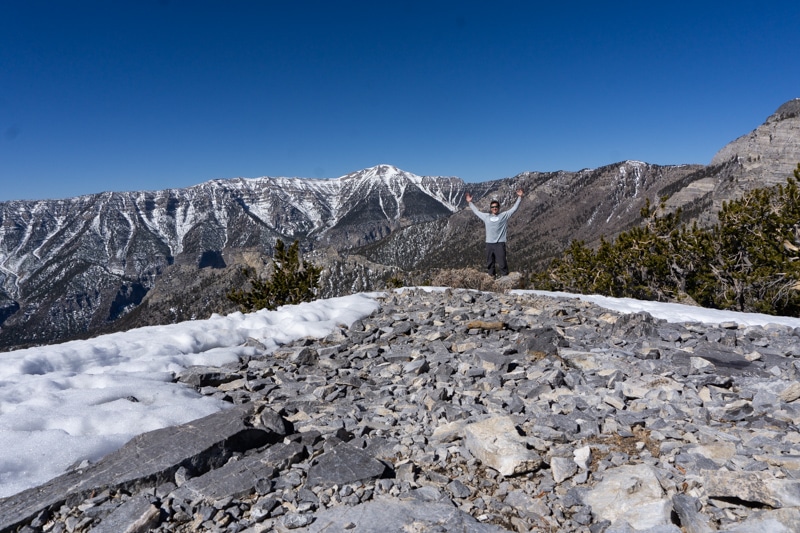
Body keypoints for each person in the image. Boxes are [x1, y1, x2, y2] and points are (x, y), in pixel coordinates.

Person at [465, 188, 524, 277]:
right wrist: (470, 202)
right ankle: (491, 279)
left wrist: (519, 197)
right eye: (492, 207)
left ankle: (505, 279)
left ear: (498, 208)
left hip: (500, 243)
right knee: (490, 263)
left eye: (496, 207)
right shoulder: (486, 217)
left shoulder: (504, 216)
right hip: (489, 243)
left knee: (502, 263)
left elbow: (514, 209)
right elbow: (476, 212)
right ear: (490, 208)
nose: (494, 208)